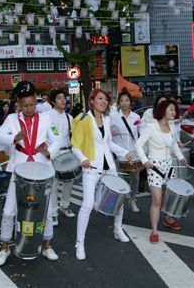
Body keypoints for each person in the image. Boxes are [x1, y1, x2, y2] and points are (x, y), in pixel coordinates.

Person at [0, 81, 62, 266]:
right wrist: (13, 138)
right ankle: (4, 248)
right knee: (9, 210)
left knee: (45, 210)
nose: (29, 108)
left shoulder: (46, 118)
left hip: (42, 168)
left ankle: (47, 246)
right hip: (19, 168)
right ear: (19, 105)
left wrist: (49, 152)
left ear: (36, 102)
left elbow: (57, 138)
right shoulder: (12, 120)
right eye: (25, 106)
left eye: (32, 104)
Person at [72, 89, 132, 260]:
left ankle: (117, 229)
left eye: (106, 99)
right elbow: (75, 145)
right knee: (88, 204)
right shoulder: (84, 120)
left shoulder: (106, 119)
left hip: (109, 167)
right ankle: (80, 243)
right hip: (91, 167)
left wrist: (124, 152)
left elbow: (109, 143)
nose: (104, 101)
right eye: (100, 98)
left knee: (119, 197)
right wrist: (82, 158)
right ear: (91, 101)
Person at [136, 99, 186, 243]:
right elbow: (138, 144)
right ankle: (154, 231)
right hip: (154, 166)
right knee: (157, 200)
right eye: (171, 109)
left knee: (169, 197)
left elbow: (174, 144)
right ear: (163, 110)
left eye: (174, 110)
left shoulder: (172, 126)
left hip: (169, 166)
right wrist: (145, 161)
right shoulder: (151, 127)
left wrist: (181, 157)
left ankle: (168, 218)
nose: (174, 112)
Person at [46, 89, 76, 226]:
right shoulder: (47, 116)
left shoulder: (70, 118)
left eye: (64, 98)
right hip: (53, 154)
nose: (63, 100)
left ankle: (65, 205)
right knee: (54, 184)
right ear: (53, 101)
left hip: (67, 153)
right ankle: (53, 212)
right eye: (59, 98)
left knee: (69, 181)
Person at [110, 91, 142, 213]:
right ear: (119, 103)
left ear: (131, 102)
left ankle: (133, 200)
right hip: (118, 154)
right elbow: (106, 135)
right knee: (117, 179)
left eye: (126, 100)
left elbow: (141, 132)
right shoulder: (113, 117)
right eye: (122, 101)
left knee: (135, 178)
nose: (124, 103)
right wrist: (111, 133)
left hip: (133, 153)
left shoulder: (136, 117)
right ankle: (116, 204)